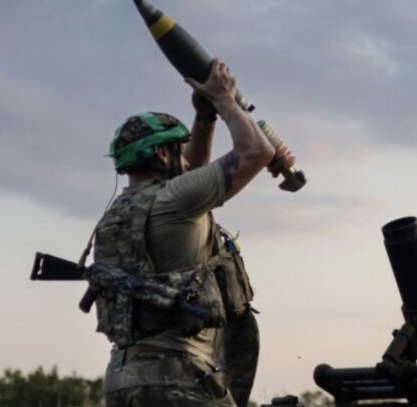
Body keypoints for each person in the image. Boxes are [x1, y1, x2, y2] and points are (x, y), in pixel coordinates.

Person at [88, 59, 295, 407]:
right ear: (161, 154)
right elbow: (256, 151)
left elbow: (192, 172)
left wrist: (205, 115)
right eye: (178, 150)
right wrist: (225, 99)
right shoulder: (176, 200)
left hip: (124, 379)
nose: (186, 159)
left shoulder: (119, 214)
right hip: (179, 378)